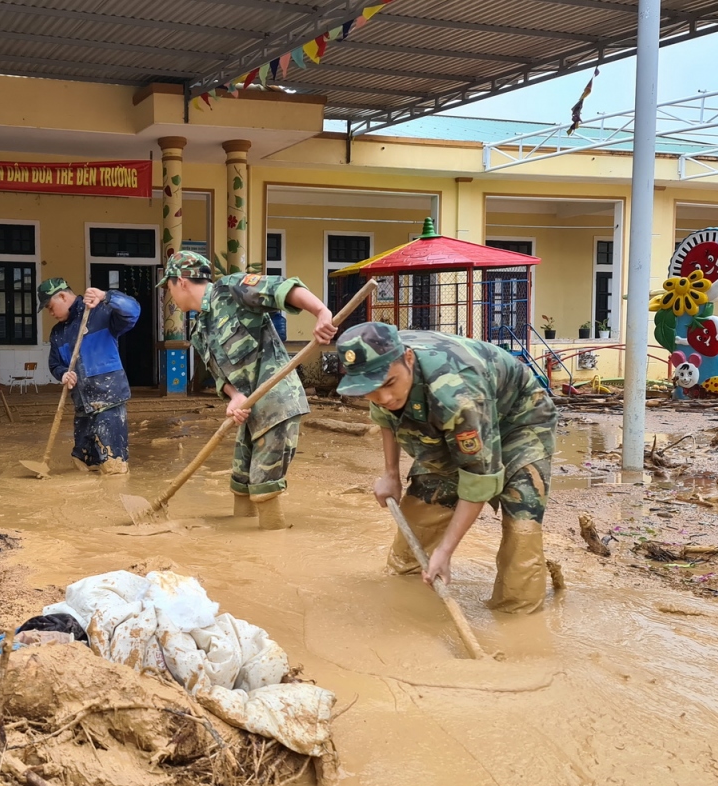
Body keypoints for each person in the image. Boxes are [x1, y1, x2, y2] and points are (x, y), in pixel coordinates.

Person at [334, 321, 559, 613]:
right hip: (447, 415)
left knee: (522, 526)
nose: (385, 398)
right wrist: (390, 474)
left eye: (389, 384)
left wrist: (445, 551)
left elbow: (479, 478)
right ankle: (408, 600)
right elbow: (385, 415)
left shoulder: (459, 395)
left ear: (409, 358)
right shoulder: (379, 363)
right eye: (371, 391)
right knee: (418, 522)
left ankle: (518, 617)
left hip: (519, 421)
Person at [160, 251, 336, 529]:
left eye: (168, 287)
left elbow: (284, 289)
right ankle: (236, 540)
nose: (168, 296)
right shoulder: (199, 330)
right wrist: (234, 397)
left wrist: (322, 312)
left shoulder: (233, 289)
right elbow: (221, 378)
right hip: (249, 408)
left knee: (263, 482)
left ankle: (271, 545)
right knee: (241, 480)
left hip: (277, 401)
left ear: (181, 281)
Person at [39, 277, 140, 475]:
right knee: (83, 462)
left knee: (113, 466)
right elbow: (55, 364)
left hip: (108, 401)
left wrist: (106, 296)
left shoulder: (99, 312)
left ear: (62, 296)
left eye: (50, 307)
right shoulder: (57, 333)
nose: (50, 313)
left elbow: (133, 311)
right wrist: (63, 374)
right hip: (82, 405)